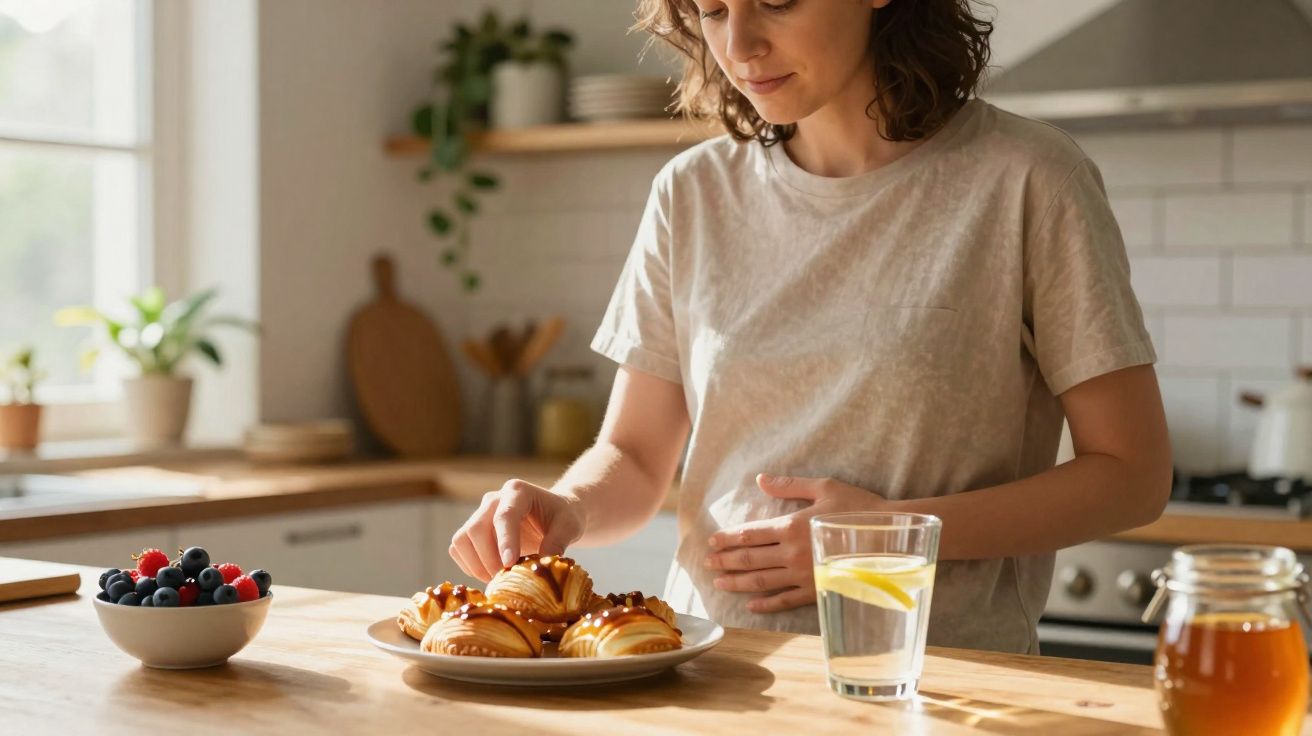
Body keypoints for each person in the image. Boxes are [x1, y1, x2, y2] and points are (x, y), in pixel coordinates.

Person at [449, 0, 1172, 654]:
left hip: (939, 684)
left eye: (776, 3)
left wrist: (885, 535)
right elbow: (636, 457)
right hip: (709, 673)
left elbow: (1132, 476)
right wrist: (567, 507)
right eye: (711, 11)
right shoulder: (692, 193)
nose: (740, 45)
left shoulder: (1028, 179)